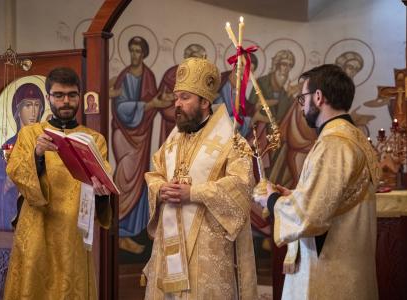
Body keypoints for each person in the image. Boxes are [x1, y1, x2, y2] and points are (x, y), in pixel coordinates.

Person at [256, 64, 380, 300]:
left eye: (302, 98)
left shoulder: (333, 144)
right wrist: (292, 197)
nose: (301, 107)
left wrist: (270, 200)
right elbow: (333, 201)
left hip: (330, 277)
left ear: (319, 97)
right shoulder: (355, 138)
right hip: (352, 273)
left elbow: (311, 216)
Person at [143, 57, 258, 299]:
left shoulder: (232, 141)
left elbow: (242, 187)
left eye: (185, 98)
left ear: (205, 101)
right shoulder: (174, 139)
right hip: (168, 249)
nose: (177, 104)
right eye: (176, 97)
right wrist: (161, 188)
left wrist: (193, 193)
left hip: (208, 251)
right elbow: (155, 172)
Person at [3, 67, 112, 299]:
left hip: (73, 230)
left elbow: (103, 181)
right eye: (59, 95)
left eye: (72, 95)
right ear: (48, 98)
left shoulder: (94, 140)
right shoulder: (30, 134)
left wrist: (102, 192)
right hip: (37, 226)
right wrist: (38, 155)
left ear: (80, 97)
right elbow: (15, 172)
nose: (66, 101)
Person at [111, 36, 162, 253]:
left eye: (138, 51)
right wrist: (149, 104)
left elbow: (156, 103)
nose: (134, 55)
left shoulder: (149, 76)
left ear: (144, 54)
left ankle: (130, 232)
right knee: (123, 177)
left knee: (139, 180)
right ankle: (119, 231)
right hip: (123, 134)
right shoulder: (122, 76)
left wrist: (160, 102)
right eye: (131, 50)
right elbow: (121, 108)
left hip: (142, 136)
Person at [0, 83, 45, 231]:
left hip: (39, 215)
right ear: (18, 111)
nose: (33, 111)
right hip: (11, 217)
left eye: (37, 105)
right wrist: (6, 183)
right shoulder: (7, 147)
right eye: (28, 105)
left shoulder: (45, 144)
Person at [157, 43, 207, 145]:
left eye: (199, 61)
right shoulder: (171, 74)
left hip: (195, 125)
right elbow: (160, 99)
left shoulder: (204, 79)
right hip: (172, 124)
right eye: (193, 60)